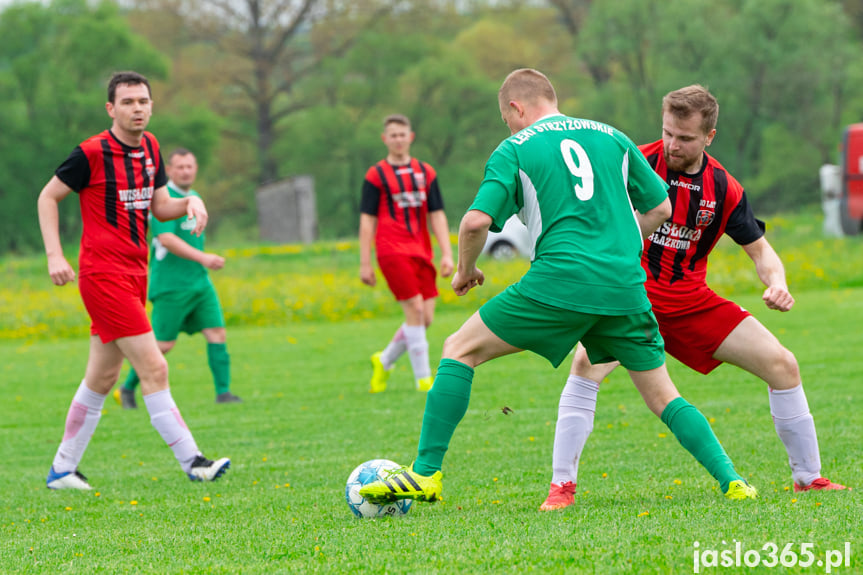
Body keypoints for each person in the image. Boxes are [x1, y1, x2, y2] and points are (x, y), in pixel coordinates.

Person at [360, 69, 757, 507]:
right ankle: (733, 481)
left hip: (559, 280)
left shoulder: (515, 147)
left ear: (516, 108)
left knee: (459, 349)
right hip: (624, 285)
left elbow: (475, 222)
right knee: (663, 395)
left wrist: (465, 272)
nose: (508, 127)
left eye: (506, 118)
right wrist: (621, 244)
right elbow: (661, 206)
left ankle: (426, 474)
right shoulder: (612, 136)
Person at [541, 84, 846, 511]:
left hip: (689, 300)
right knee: (585, 364)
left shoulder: (723, 188)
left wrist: (777, 282)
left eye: (685, 138)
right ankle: (561, 488)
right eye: (667, 133)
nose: (672, 145)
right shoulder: (631, 162)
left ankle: (808, 478)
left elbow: (760, 250)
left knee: (783, 364)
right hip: (631, 295)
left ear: (709, 136)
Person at [37, 71, 230, 490]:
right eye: (127, 102)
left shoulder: (152, 147)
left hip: (135, 274)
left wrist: (191, 201)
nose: (137, 108)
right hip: (102, 274)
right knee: (154, 367)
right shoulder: (91, 152)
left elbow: (161, 206)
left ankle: (62, 470)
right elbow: (47, 197)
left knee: (103, 377)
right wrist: (55, 254)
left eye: (143, 101)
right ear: (111, 109)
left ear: (151, 105)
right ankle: (193, 461)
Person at [113, 148, 241, 408]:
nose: (185, 171)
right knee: (162, 345)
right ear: (169, 170)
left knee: (217, 333)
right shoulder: (164, 199)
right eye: (179, 167)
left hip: (199, 283)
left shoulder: (195, 197)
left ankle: (224, 393)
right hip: (171, 285)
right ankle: (127, 388)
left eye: (190, 166)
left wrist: (201, 264)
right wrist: (203, 258)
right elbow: (167, 239)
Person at [359, 114, 454, 393]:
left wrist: (447, 253)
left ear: (410, 137)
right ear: (385, 139)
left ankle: (384, 359)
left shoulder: (427, 172)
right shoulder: (376, 175)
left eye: (403, 134)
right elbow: (367, 220)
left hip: (421, 250)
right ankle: (424, 380)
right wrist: (365, 262)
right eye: (393, 135)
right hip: (391, 249)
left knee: (425, 318)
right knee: (413, 309)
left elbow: (437, 215)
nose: (398, 139)